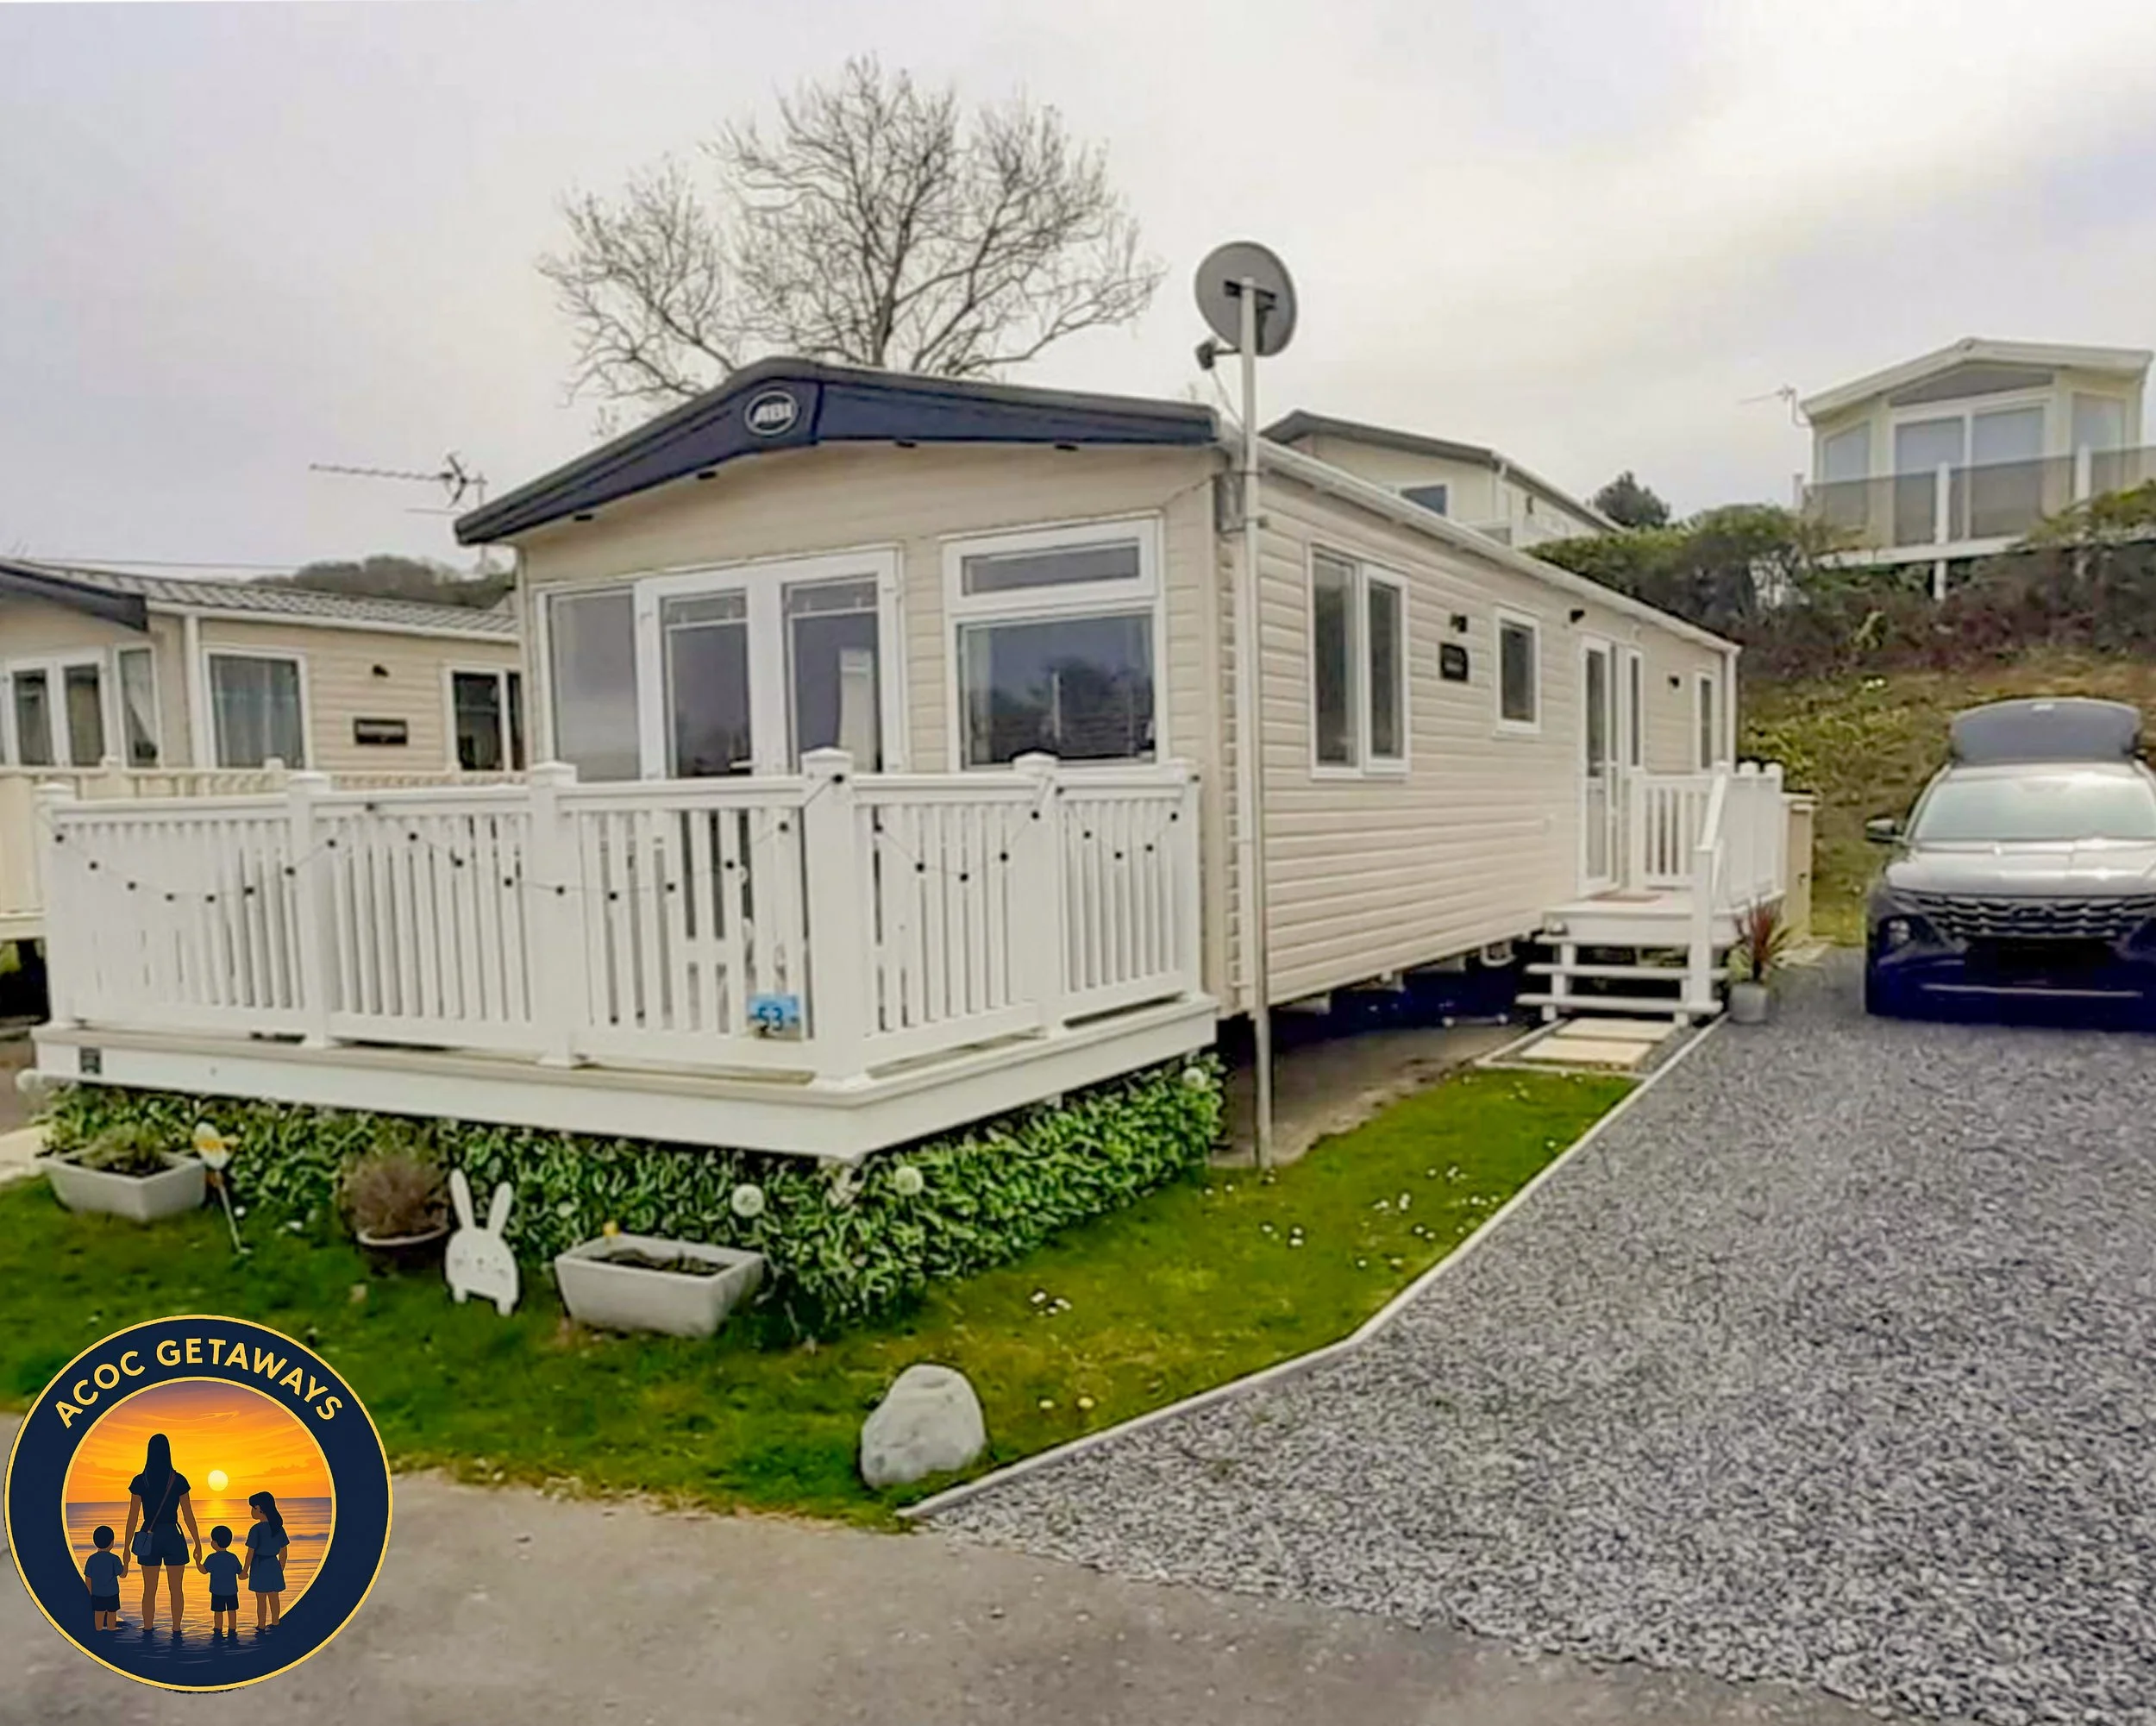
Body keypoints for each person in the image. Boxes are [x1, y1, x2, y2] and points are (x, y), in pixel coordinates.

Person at [120, 1434, 201, 1633]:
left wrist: (126, 1547)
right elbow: (188, 1514)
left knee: (149, 1590)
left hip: (149, 1536)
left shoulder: (140, 1481)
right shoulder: (178, 1480)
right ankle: (176, 1629)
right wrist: (197, 1543)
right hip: (173, 1535)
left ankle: (148, 1629)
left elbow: (133, 1516)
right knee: (176, 1590)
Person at [242, 1491, 288, 1629]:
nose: (251, 1511)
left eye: (253, 1508)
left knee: (261, 1600)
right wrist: (280, 1567)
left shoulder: (256, 1529)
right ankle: (276, 1622)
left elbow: (250, 1553)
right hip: (273, 1565)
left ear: (260, 1509)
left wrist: (245, 1571)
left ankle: (261, 1625)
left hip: (259, 1565)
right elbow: (284, 1551)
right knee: (274, 1598)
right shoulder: (278, 1528)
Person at [197, 1526, 243, 1636]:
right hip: (232, 1591)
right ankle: (232, 1629)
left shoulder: (211, 1558)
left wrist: (197, 1561)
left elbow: (204, 1571)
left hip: (217, 1591)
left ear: (215, 1543)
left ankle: (218, 1629)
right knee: (232, 1611)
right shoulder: (233, 1557)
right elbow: (240, 1571)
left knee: (218, 1612)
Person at [83, 1526, 124, 1631]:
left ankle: (98, 1629)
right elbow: (122, 1574)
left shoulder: (91, 1559)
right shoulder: (114, 1559)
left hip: (97, 1593)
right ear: (112, 1542)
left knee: (99, 1613)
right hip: (112, 1593)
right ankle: (111, 1628)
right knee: (112, 1613)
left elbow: (88, 1578)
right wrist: (126, 1564)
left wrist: (90, 1593)